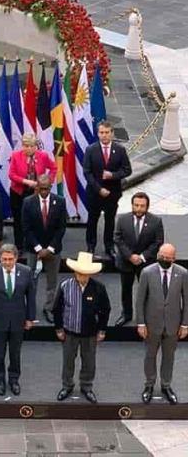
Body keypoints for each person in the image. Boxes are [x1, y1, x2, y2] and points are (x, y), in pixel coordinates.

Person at [53, 251, 111, 403]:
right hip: (69, 332)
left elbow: (106, 310)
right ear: (75, 272)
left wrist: (102, 330)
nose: (82, 276)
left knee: (89, 361)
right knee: (68, 361)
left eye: (85, 274)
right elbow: (57, 309)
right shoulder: (65, 286)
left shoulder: (99, 288)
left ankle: (86, 386)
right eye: (79, 273)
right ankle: (67, 385)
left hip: (90, 333)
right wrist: (59, 329)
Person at [135, 243, 188, 404]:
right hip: (152, 324)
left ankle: (166, 385)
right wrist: (141, 323)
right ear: (158, 255)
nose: (164, 259)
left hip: (173, 323)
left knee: (169, 357)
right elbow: (140, 300)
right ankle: (149, 385)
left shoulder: (183, 273)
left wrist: (185, 324)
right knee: (150, 356)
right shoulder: (147, 272)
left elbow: (187, 300)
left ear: (174, 258)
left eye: (168, 258)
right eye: (162, 256)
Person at [0, 245, 36, 396]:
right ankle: (0, 380)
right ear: (0, 258)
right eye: (4, 259)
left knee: (15, 354)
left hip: (18, 320)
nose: (7, 262)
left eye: (10, 259)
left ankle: (13, 380)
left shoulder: (26, 272)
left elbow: (30, 297)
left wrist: (31, 318)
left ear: (16, 258)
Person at [113, 192, 164, 327]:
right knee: (126, 290)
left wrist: (142, 257)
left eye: (142, 206)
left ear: (147, 206)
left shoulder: (156, 221)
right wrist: (130, 256)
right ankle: (126, 314)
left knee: (147, 290)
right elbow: (118, 238)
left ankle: (146, 316)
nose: (139, 208)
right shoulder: (122, 219)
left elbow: (158, 242)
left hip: (146, 263)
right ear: (132, 205)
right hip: (126, 261)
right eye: (136, 205)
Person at [21, 174, 67, 324]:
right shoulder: (28, 202)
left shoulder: (60, 202)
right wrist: (39, 248)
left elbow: (61, 228)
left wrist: (50, 248)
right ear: (37, 188)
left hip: (53, 249)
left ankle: (49, 308)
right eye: (41, 189)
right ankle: (30, 309)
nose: (44, 192)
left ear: (50, 187)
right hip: (33, 248)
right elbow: (26, 228)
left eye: (47, 189)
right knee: (30, 280)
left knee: (52, 282)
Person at [83, 120, 132, 258]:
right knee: (92, 220)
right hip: (95, 193)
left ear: (112, 133)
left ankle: (109, 247)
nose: (104, 135)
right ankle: (91, 247)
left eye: (107, 132)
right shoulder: (90, 150)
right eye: (101, 133)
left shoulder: (120, 150)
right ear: (98, 134)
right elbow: (87, 172)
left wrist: (113, 175)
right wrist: (99, 189)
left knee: (110, 221)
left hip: (112, 193)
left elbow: (127, 170)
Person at [8, 133, 57, 250]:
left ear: (36, 146)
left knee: (35, 219)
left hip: (36, 193)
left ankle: (35, 245)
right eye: (26, 146)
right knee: (19, 219)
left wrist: (47, 181)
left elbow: (54, 168)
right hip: (18, 192)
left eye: (31, 146)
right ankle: (19, 246)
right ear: (22, 146)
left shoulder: (43, 156)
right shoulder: (15, 155)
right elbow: (11, 174)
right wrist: (26, 181)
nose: (28, 149)